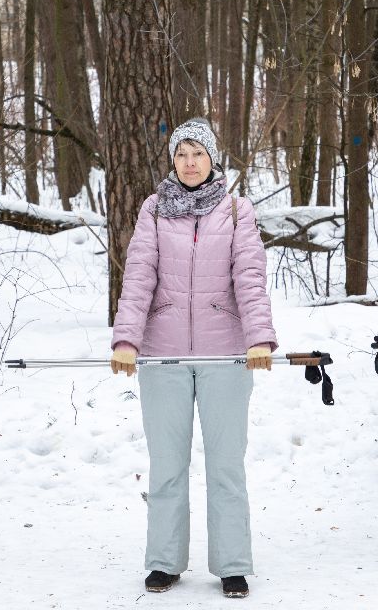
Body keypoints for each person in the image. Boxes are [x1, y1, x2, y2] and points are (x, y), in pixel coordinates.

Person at [110, 118, 277, 598]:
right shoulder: (155, 210)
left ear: (212, 158)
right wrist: (127, 339)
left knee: (226, 465)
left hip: (226, 354)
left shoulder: (237, 211)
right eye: (181, 154)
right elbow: (140, 274)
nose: (189, 162)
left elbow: (249, 274)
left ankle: (232, 564)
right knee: (167, 464)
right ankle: (165, 560)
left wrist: (259, 337)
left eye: (197, 154)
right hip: (163, 357)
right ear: (172, 160)